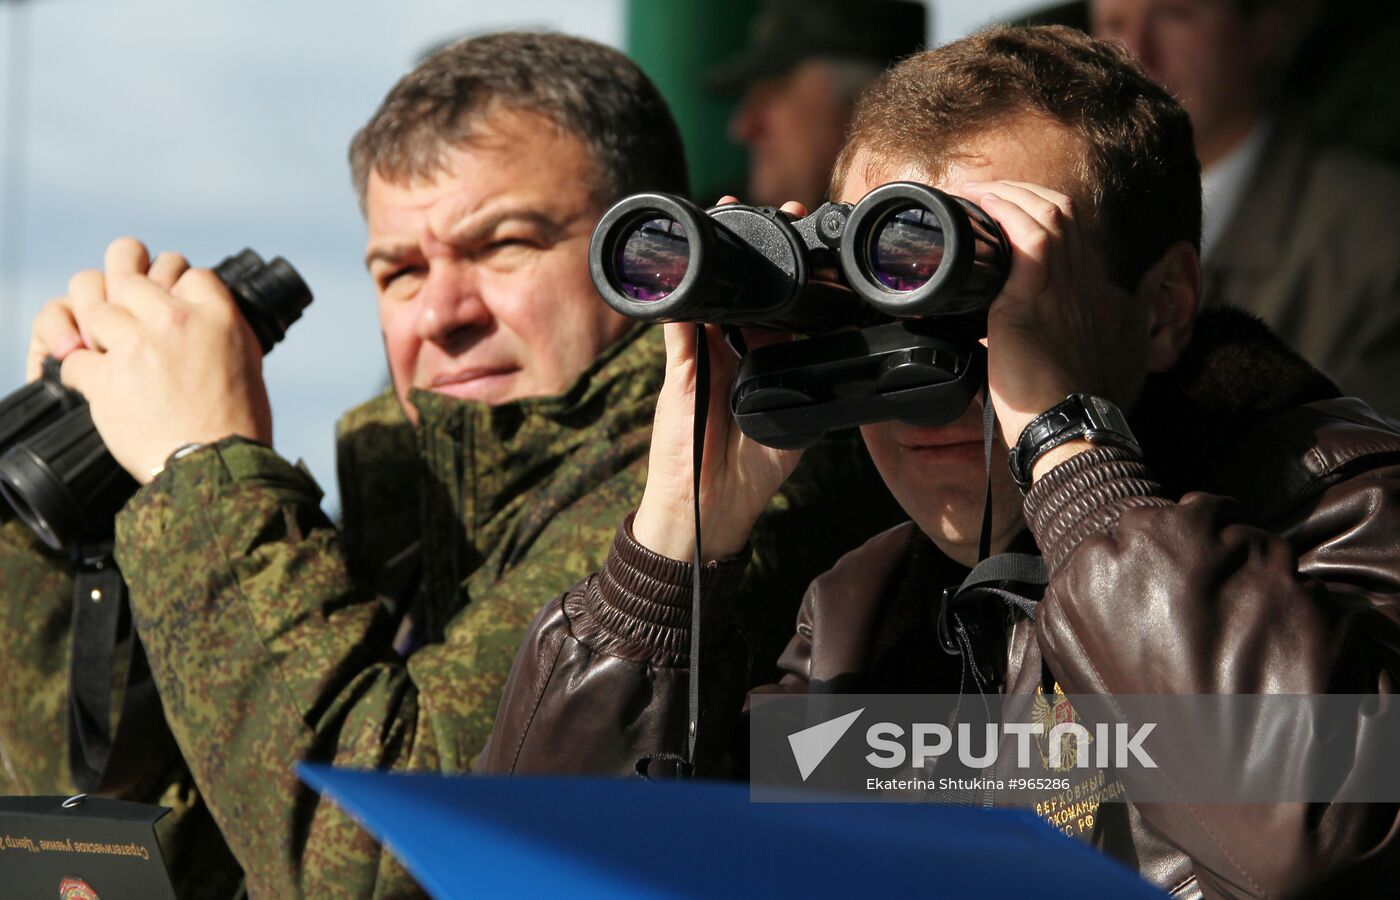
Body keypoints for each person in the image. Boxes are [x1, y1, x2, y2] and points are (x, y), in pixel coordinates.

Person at [479, 26, 1400, 897]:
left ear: (1161, 307)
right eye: (885, 288)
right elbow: (551, 871)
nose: (928, 362)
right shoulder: (865, 617)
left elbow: (1307, 831)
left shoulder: (1341, 512)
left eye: (991, 289)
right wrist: (669, 552)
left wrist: (1067, 448)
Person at [3, 32, 901, 897]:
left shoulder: (737, 470)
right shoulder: (402, 516)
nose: (440, 313)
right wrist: (68, 524)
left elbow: (380, 860)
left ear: (648, 251)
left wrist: (202, 469)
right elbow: (165, 862)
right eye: (398, 271)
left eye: (504, 243)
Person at [1089, 0, 1400, 419]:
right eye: (1113, 23)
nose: (1134, 51)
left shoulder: (1377, 233)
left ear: (1266, 29)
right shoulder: (1079, 215)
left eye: (1174, 14)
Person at [707, 0, 926, 209]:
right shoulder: (704, 232)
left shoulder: (925, 236)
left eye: (772, 94)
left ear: (867, 108)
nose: (743, 128)